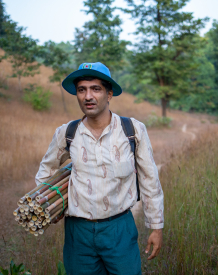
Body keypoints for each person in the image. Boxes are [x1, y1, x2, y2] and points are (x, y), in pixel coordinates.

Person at [35, 62, 164, 275]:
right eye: (81, 89)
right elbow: (45, 172)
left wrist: (156, 227)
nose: (88, 96)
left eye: (96, 89)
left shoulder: (132, 130)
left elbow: (150, 180)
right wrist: (50, 207)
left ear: (109, 94)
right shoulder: (67, 133)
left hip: (119, 228)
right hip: (78, 233)